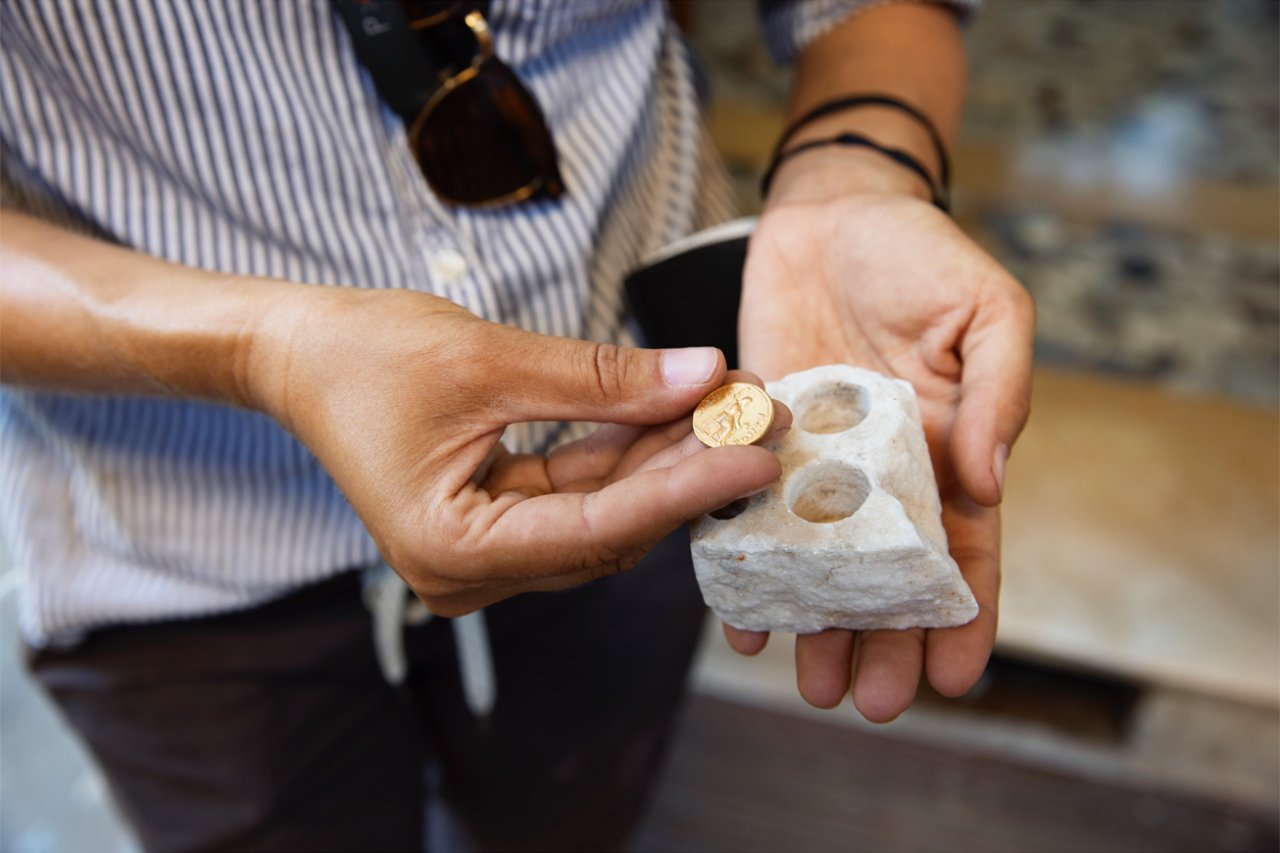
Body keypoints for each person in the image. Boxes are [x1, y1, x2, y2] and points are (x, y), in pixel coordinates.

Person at [0, 0, 1033, 850]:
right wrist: (259, 346)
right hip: (173, 541)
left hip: (648, 470)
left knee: (567, 822)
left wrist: (856, 160)